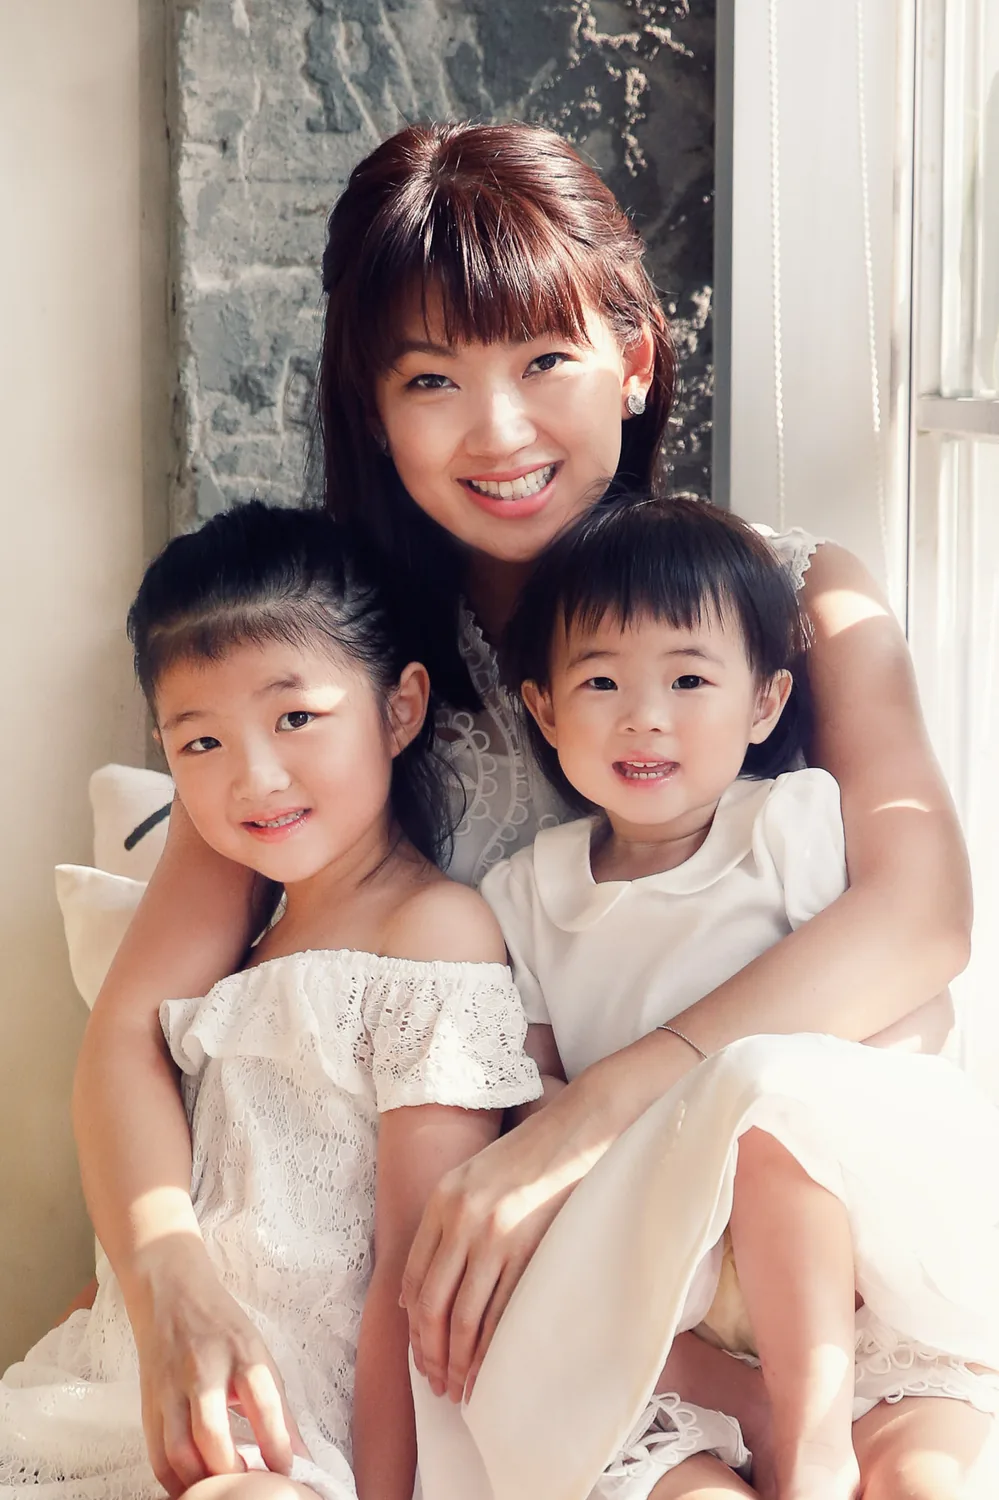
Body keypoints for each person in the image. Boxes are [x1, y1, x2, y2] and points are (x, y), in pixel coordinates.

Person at [72, 122, 973, 1498]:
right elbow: (133, 1030)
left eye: (544, 360)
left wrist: (581, 1115)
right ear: (373, 410)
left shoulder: (795, 598)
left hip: (808, 1251)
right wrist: (165, 1272)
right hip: (539, 1313)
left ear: (634, 360)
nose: (497, 433)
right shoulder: (331, 665)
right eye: (431, 379)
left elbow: (922, 913)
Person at [0, 502, 542, 1499]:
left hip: (291, 1435)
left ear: (399, 709)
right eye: (200, 743)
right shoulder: (236, 955)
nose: (253, 777)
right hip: (127, 1388)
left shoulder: (433, 930)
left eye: (295, 718)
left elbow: (407, 1278)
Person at [466, 494, 999, 1500]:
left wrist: (791, 1095)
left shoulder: (790, 826)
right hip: (668, 1273)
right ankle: (748, 1423)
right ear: (543, 707)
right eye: (601, 681)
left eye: (689, 679)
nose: (645, 715)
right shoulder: (526, 893)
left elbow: (918, 1004)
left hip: (826, 1258)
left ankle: (814, 1440)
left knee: (766, 1106)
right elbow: (534, 1087)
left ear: (764, 703)